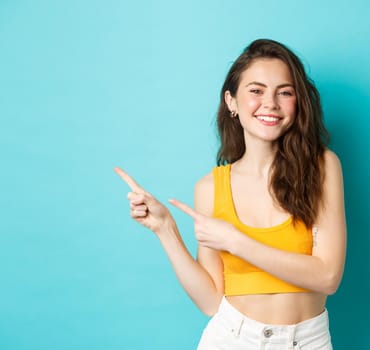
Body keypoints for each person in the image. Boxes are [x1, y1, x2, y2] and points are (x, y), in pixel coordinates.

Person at [115, 39, 346, 349]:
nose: (271, 103)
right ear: (232, 102)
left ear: (298, 102)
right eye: (256, 90)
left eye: (285, 92)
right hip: (233, 338)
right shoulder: (210, 188)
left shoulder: (323, 166)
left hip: (307, 341)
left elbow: (328, 277)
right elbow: (211, 301)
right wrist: (165, 229)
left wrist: (235, 241)